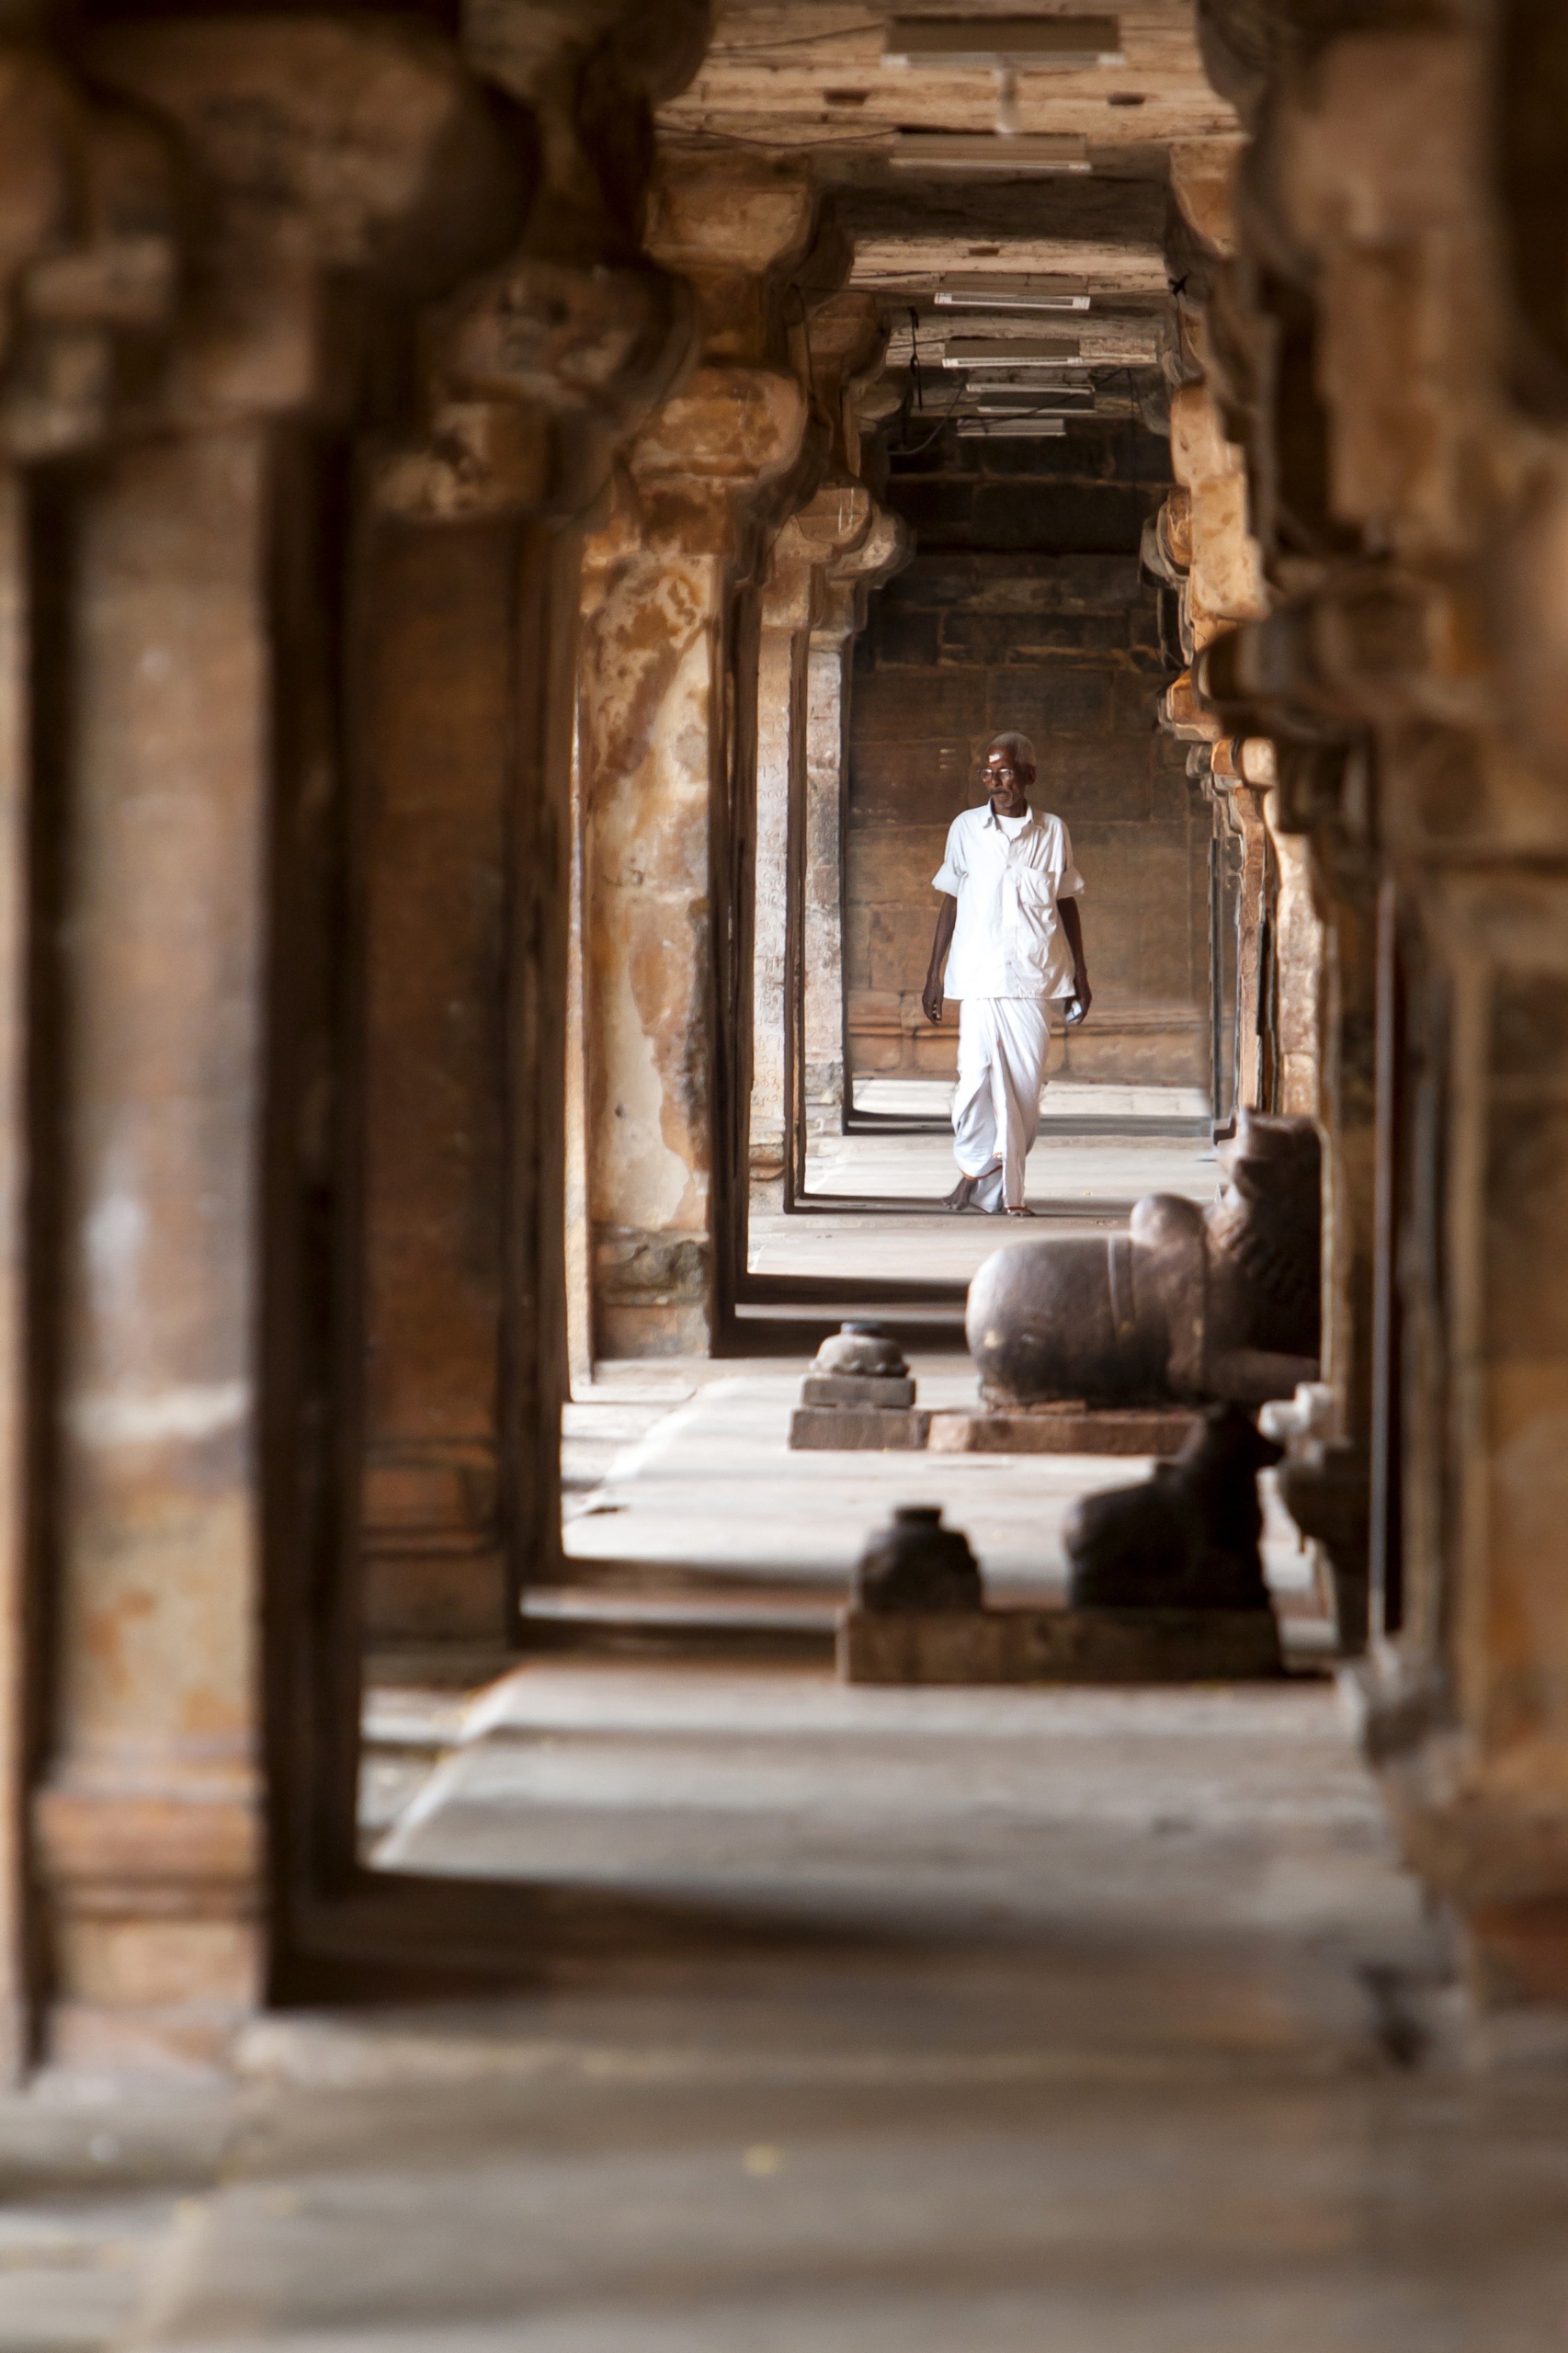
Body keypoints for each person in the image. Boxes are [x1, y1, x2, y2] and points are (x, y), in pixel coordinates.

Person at [920, 733, 1091, 1215]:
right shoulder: (965, 829)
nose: (996, 783)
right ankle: (973, 1171)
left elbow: (1066, 903)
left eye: (1006, 773)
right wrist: (935, 974)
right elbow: (950, 901)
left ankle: (995, 1184)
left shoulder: (1053, 831)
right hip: (976, 977)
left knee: (1024, 1089)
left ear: (1029, 777)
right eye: (988, 773)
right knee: (973, 1080)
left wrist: (1081, 973)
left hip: (1033, 979)